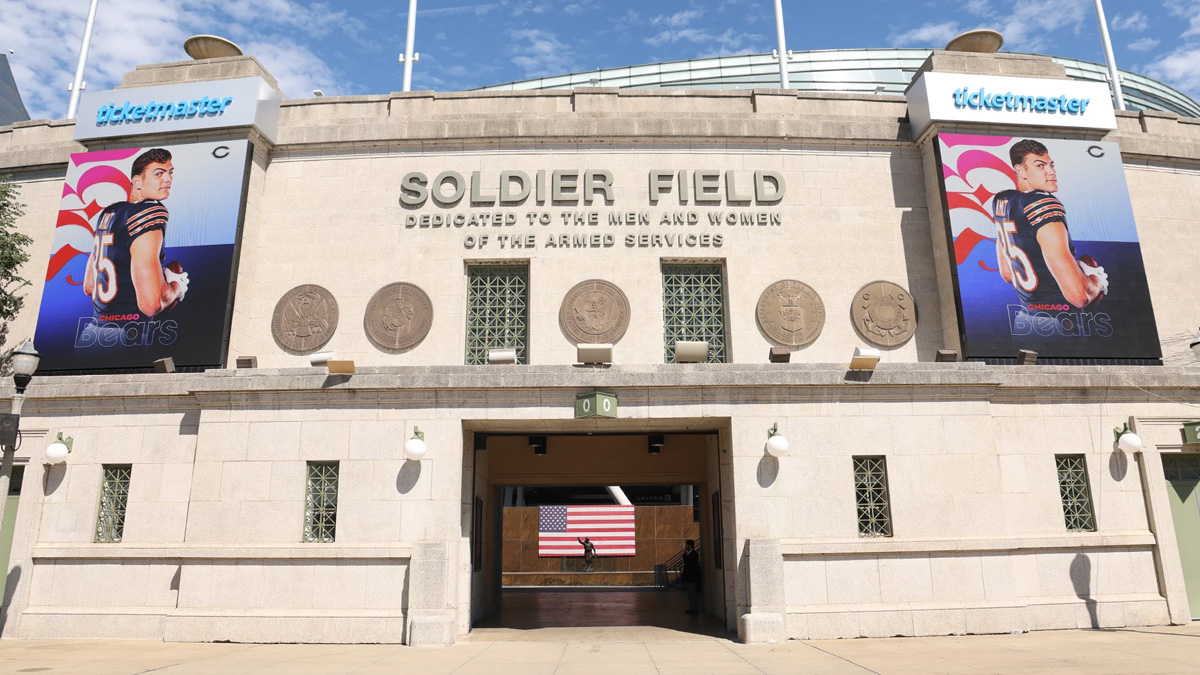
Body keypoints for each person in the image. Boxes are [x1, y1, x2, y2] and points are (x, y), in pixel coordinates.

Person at [992, 139, 1108, 310]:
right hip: (1062, 323)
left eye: (1051, 165)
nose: (1051, 171)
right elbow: (1079, 296)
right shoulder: (1043, 203)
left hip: (1026, 321)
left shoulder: (1002, 199)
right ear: (1020, 171)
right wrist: (1096, 279)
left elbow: (1008, 274)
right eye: (1040, 166)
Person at [84, 148, 189, 319]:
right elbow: (150, 305)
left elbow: (90, 286)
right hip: (129, 334)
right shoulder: (150, 211)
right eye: (159, 173)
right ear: (137, 182)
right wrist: (176, 286)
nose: (168, 178)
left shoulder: (109, 213)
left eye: (170, 173)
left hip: (92, 333)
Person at [681, 539, 700, 614]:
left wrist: (685, 555)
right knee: (690, 594)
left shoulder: (693, 554)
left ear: (690, 546)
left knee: (692, 594)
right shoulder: (689, 554)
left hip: (692, 578)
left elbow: (689, 564)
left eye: (687, 545)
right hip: (689, 578)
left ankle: (694, 609)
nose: (686, 547)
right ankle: (692, 608)